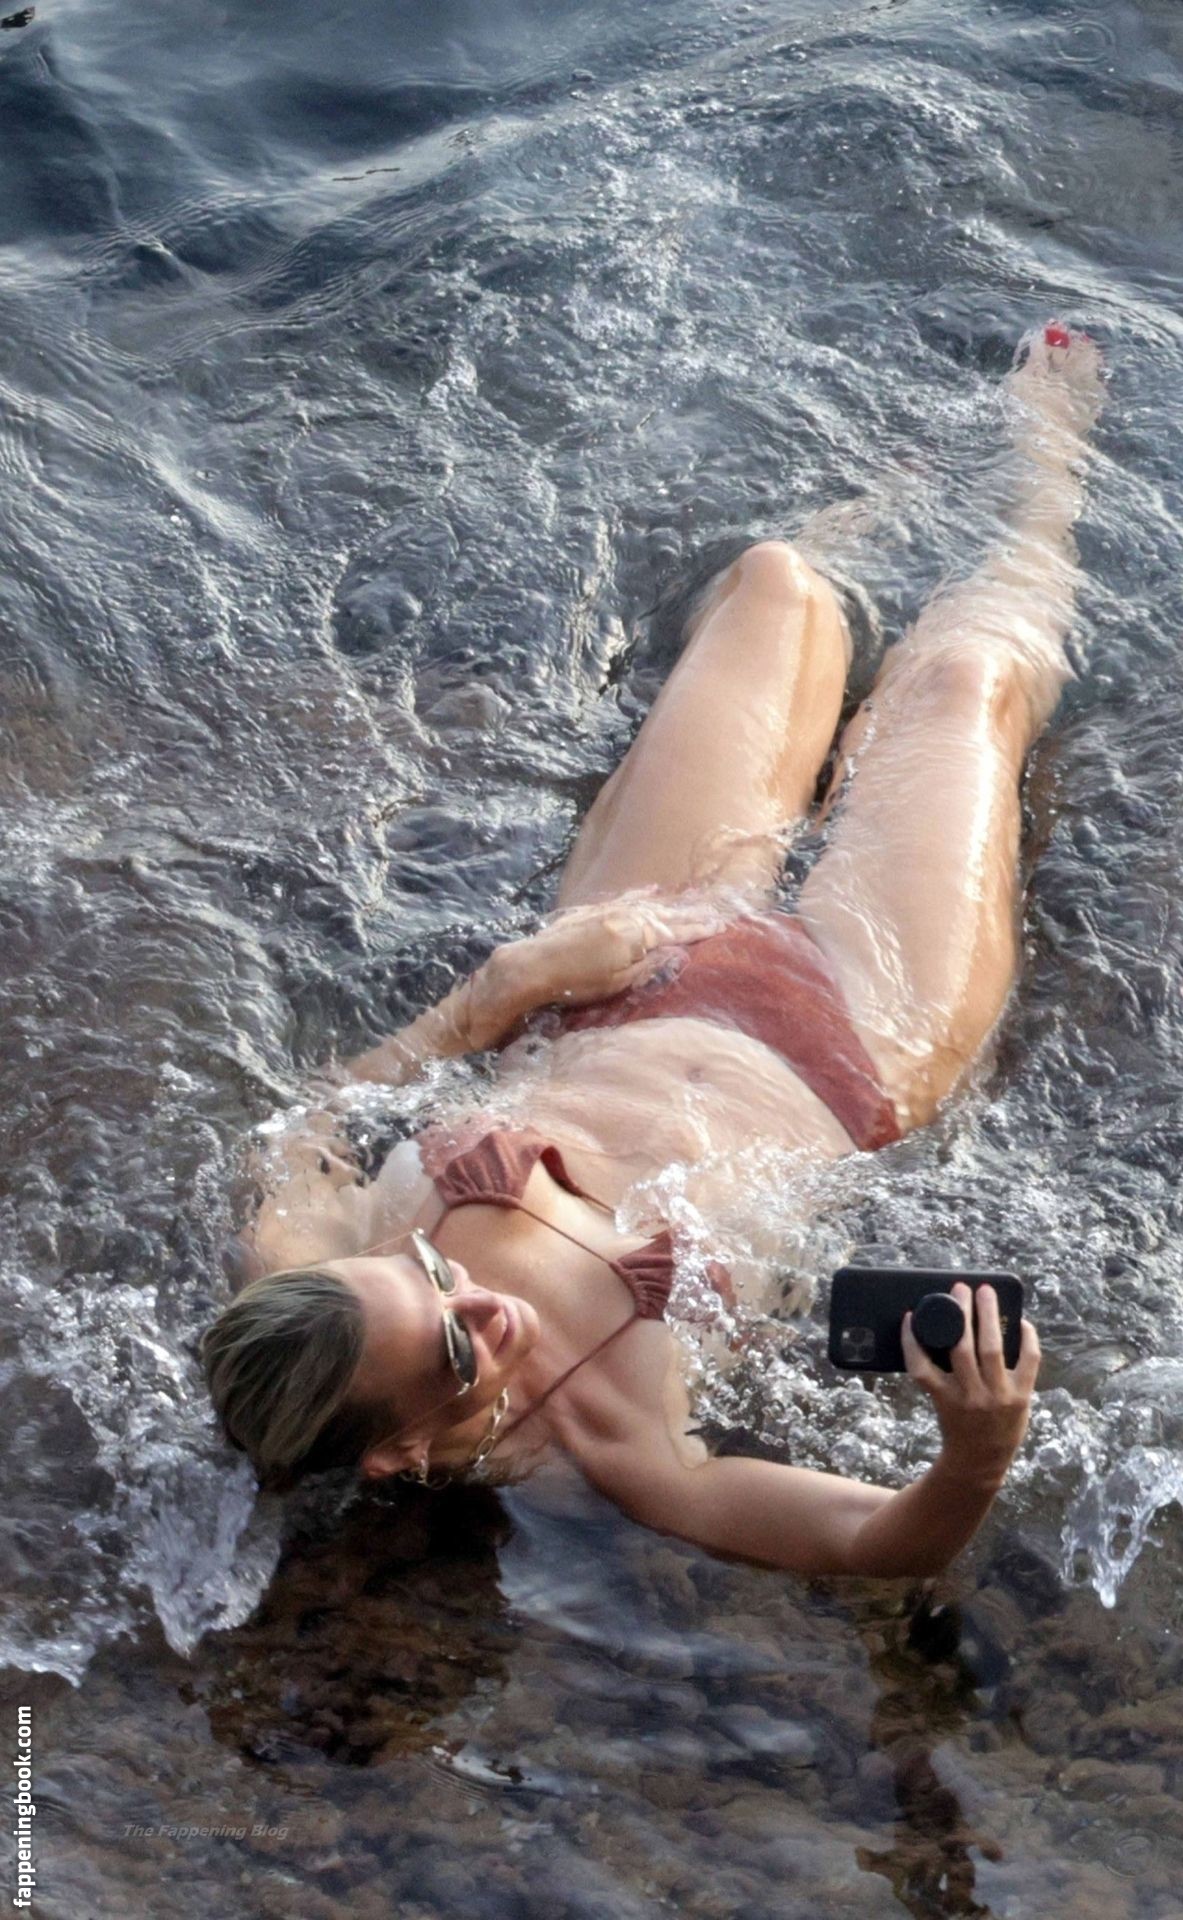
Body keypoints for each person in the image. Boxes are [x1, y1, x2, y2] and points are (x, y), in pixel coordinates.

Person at [202, 325, 1104, 1579]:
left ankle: (907, 477)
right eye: (458, 1347)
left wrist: (490, 999)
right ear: (394, 1455)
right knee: (962, 684)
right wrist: (973, 1455)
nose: (479, 1300)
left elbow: (296, 1129)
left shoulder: (307, 1281)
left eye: (427, 1271)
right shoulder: (613, 1444)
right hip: (854, 1038)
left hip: (627, 965)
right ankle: (1049, 471)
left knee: (779, 586)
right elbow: (871, 1541)